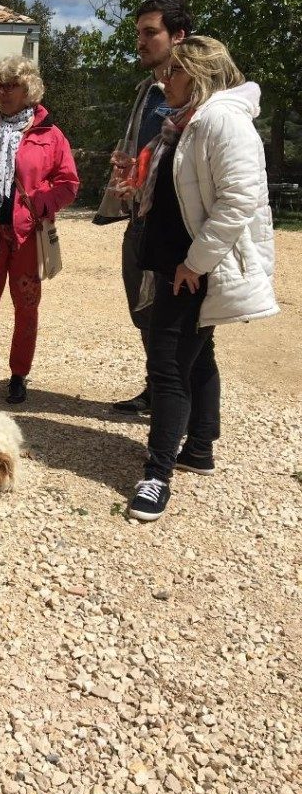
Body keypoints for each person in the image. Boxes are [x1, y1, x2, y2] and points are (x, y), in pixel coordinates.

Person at [118, 36, 279, 522]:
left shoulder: (221, 120)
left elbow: (238, 201)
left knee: (167, 367)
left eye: (174, 73)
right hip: (177, 262)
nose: (163, 80)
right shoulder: (186, 122)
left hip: (189, 270)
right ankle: (200, 447)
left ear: (201, 76)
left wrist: (196, 263)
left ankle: (156, 475)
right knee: (197, 353)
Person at [0, 56, 79, 406]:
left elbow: (68, 183)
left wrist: (39, 204)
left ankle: (19, 375)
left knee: (26, 307)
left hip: (26, 236)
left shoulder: (49, 134)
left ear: (28, 89)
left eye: (11, 85)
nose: (3, 92)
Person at [94, 0, 193, 415]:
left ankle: (181, 402)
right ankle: (158, 389)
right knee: (144, 311)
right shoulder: (148, 89)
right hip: (139, 218)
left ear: (179, 36)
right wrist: (130, 169)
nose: (141, 41)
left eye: (151, 32)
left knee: (177, 320)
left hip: (171, 225)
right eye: (139, 33)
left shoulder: (191, 90)